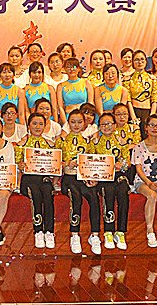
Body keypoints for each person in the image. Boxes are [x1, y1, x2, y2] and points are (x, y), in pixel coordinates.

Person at [56, 109, 101, 255]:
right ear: (68, 123)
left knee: (94, 197)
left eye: (79, 122)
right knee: (75, 197)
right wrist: (66, 164)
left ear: (84, 124)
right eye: (73, 122)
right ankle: (74, 234)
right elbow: (54, 162)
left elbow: (93, 162)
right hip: (68, 178)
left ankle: (95, 235)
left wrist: (93, 178)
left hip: (84, 177)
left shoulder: (88, 142)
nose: (76, 125)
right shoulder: (61, 141)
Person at [131, 115, 157, 249]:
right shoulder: (139, 147)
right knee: (152, 195)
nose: (155, 128)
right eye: (151, 125)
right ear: (146, 128)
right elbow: (138, 169)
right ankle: (150, 231)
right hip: (143, 181)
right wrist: (149, 183)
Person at [16, 113, 57, 249]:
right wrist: (20, 164)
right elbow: (15, 162)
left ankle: (49, 231)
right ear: (28, 126)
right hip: (28, 178)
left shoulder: (50, 144)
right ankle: (38, 231)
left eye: (40, 124)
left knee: (48, 193)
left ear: (45, 126)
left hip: (44, 178)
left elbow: (55, 164)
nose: (37, 127)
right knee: (36, 193)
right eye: (34, 123)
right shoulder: (22, 143)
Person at [92, 112, 132, 250]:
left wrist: (122, 164)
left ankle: (120, 232)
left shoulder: (121, 141)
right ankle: (108, 231)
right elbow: (89, 161)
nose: (106, 127)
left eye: (109, 124)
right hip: (102, 177)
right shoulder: (95, 142)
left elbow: (128, 161)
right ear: (99, 127)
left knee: (123, 192)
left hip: (118, 175)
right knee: (107, 192)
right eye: (103, 124)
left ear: (115, 125)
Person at [126, 50, 157, 123]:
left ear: (146, 61)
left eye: (142, 59)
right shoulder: (127, 79)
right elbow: (128, 100)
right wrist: (133, 116)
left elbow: (154, 99)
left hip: (148, 111)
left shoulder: (152, 79)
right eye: (136, 60)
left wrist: (152, 115)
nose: (140, 62)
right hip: (133, 111)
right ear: (132, 62)